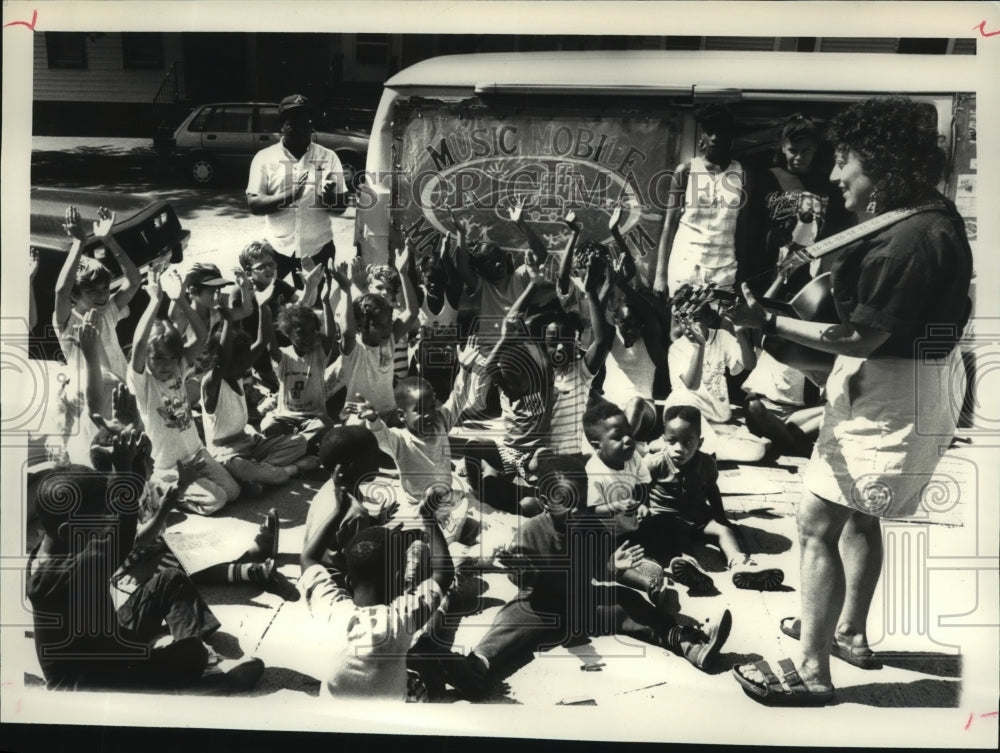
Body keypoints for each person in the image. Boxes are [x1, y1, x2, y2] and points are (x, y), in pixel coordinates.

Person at [729, 97, 972, 706]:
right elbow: (866, 344)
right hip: (897, 380)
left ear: (883, 166)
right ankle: (846, 632)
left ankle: (811, 670)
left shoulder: (912, 240)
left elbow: (862, 337)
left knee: (815, 523)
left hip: (895, 397)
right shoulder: (920, 213)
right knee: (857, 514)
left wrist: (772, 325)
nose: (835, 176)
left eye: (845, 162)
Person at [440, 455, 732, 700]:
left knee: (628, 603)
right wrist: (520, 570)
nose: (576, 511)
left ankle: (688, 643)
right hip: (541, 605)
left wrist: (613, 568)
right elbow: (526, 581)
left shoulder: (588, 525)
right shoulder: (530, 531)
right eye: (567, 503)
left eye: (580, 503)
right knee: (509, 621)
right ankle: (476, 667)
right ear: (544, 501)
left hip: (583, 601)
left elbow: (597, 568)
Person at [26, 455, 263, 692]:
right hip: (86, 680)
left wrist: (134, 473)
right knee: (191, 655)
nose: (104, 528)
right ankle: (207, 686)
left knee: (171, 579)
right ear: (69, 532)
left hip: (108, 638)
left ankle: (202, 659)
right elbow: (121, 540)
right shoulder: (57, 576)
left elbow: (122, 538)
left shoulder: (58, 548)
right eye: (99, 523)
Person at [299, 452, 455, 700]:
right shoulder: (399, 620)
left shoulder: (331, 611)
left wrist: (339, 511)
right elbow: (443, 575)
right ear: (398, 578)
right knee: (428, 672)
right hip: (391, 714)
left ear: (349, 582)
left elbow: (308, 559)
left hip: (332, 720)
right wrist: (428, 519)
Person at [127, 266, 242, 515]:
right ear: (147, 358)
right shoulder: (143, 382)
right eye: (157, 358)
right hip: (169, 465)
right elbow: (138, 344)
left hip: (197, 454)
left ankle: (192, 484)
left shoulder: (178, 368)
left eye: (171, 358)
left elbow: (201, 336)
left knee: (233, 492)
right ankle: (162, 487)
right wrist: (155, 300)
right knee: (217, 500)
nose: (165, 365)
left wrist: (179, 298)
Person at [643, 405, 785, 592]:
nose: (679, 448)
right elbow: (640, 486)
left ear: (699, 443)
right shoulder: (655, 462)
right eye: (672, 441)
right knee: (675, 535)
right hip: (667, 518)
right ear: (663, 440)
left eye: (687, 442)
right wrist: (643, 507)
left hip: (698, 516)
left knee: (723, 531)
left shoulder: (707, 463)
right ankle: (691, 567)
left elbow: (712, 489)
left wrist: (721, 517)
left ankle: (740, 564)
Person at [201, 310, 318, 494]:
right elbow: (222, 360)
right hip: (226, 452)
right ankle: (291, 469)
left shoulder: (237, 373)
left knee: (299, 441)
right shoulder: (212, 383)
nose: (246, 366)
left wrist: (263, 306)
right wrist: (229, 320)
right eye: (239, 362)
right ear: (221, 360)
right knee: (243, 467)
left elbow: (262, 341)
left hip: (248, 441)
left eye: (246, 361)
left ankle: (257, 477)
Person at [245, 94, 348, 291]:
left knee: (316, 309)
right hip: (275, 250)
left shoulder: (329, 157)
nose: (301, 127)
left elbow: (341, 207)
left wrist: (327, 198)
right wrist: (290, 195)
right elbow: (254, 205)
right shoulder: (265, 158)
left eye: (306, 121)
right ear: (281, 126)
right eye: (294, 122)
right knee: (268, 303)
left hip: (318, 249)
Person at [654, 104, 745, 295]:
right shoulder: (686, 171)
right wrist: (660, 276)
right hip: (685, 266)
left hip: (723, 270)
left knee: (717, 325)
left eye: (721, 132)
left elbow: (744, 229)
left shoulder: (742, 174)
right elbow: (669, 225)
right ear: (702, 136)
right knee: (680, 325)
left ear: (730, 137)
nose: (715, 138)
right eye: (710, 131)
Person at [665, 303, 770, 462]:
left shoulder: (722, 337)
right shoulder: (677, 348)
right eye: (684, 319)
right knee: (754, 447)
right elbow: (692, 384)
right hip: (685, 416)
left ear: (709, 319)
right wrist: (699, 347)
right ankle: (695, 448)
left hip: (717, 420)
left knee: (757, 451)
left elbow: (749, 364)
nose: (689, 325)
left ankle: (683, 448)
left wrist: (740, 332)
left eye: (696, 318)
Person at [53, 205, 143, 387]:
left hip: (122, 389)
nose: (102, 295)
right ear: (75, 295)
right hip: (90, 398)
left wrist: (109, 240)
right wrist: (79, 243)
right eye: (92, 290)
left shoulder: (108, 310)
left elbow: (134, 282)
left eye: (105, 288)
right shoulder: (67, 320)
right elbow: (61, 292)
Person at [331, 243, 419, 421]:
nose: (388, 328)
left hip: (389, 413)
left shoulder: (389, 339)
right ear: (361, 325)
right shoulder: (354, 348)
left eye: (389, 323)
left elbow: (412, 312)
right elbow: (348, 331)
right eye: (379, 324)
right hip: (359, 415)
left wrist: (402, 273)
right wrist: (346, 290)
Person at [258, 286, 337, 452]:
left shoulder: (318, 355)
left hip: (313, 417)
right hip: (285, 417)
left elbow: (331, 336)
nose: (308, 337)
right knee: (267, 425)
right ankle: (301, 445)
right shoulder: (283, 356)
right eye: (301, 333)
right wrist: (263, 308)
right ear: (288, 333)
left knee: (326, 426)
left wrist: (326, 302)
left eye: (312, 332)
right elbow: (269, 338)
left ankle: (291, 445)